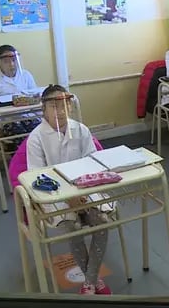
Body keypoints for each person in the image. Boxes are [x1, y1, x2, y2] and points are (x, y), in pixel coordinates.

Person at [27, 85, 112, 295]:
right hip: (55, 196)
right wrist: (69, 196)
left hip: (85, 191)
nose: (61, 110)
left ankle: (89, 281)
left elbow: (92, 164)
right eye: (54, 105)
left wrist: (80, 193)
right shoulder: (36, 138)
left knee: (103, 221)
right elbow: (38, 178)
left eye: (65, 104)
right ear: (43, 110)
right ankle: (93, 280)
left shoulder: (81, 130)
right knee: (71, 226)